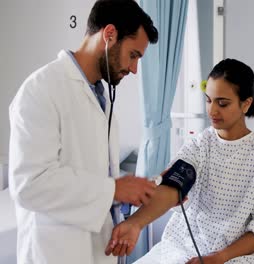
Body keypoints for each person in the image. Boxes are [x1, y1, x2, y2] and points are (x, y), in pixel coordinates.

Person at [8, 1, 159, 263]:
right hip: (55, 252)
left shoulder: (102, 98)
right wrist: (113, 189)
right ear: (109, 35)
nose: (134, 69)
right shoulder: (41, 89)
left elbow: (94, 171)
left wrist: (148, 188)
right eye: (133, 55)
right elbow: (28, 185)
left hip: (98, 248)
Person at [105, 58, 254, 263]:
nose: (212, 111)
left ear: (246, 104)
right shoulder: (200, 146)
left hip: (240, 253)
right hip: (188, 246)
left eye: (222, 103)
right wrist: (135, 223)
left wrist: (218, 258)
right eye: (208, 100)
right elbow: (175, 184)